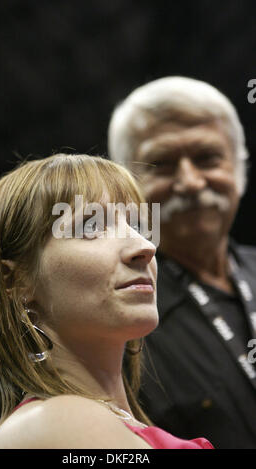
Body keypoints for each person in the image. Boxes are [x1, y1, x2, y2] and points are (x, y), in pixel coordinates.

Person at [0, 153, 213, 449]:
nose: (145, 247)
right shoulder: (57, 422)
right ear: (14, 281)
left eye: (139, 227)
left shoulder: (85, 421)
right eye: (92, 227)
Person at [108, 76, 256, 449]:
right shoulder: (108, 314)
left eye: (207, 158)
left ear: (239, 168)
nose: (190, 182)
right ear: (127, 188)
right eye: (162, 164)